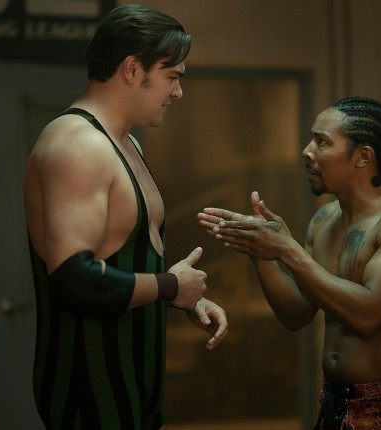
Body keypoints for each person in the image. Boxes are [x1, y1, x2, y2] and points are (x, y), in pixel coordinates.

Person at [23, 5, 228, 430]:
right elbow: (74, 279)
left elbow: (122, 261)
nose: (178, 92)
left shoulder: (125, 143)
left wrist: (180, 294)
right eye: (172, 76)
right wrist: (169, 286)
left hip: (134, 390)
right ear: (133, 69)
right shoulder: (78, 145)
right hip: (90, 395)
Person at [198, 97, 381, 429]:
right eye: (311, 139)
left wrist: (288, 251)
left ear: (363, 156)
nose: (307, 151)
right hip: (334, 401)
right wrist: (262, 253)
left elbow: (367, 317)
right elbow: (297, 314)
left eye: (322, 141)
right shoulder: (324, 220)